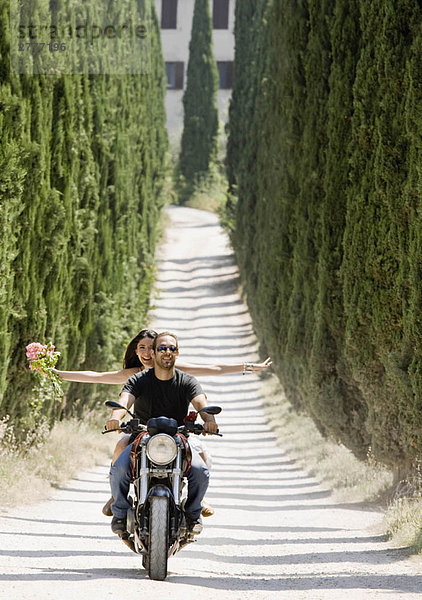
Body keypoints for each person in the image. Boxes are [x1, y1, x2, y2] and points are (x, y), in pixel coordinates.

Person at [52, 328, 271, 517]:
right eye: (142, 348)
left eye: (152, 347)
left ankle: (198, 498)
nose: (148, 353)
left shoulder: (180, 373)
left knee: (202, 457)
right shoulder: (135, 377)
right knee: (120, 449)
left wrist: (249, 367)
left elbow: (214, 371)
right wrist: (57, 374)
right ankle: (116, 497)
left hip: (177, 433)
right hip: (143, 432)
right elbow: (99, 379)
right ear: (136, 352)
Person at [107, 331, 218, 536]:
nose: (167, 352)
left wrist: (209, 420)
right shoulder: (139, 379)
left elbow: (201, 402)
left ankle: (193, 514)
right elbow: (125, 400)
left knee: (201, 472)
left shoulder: (187, 381)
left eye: (171, 348)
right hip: (142, 437)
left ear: (177, 353)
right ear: (155, 352)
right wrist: (116, 416)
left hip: (178, 438)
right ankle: (120, 513)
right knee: (120, 469)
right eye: (162, 348)